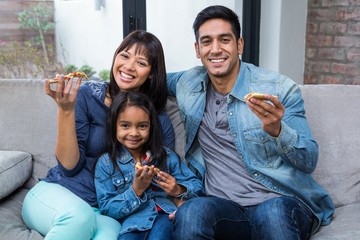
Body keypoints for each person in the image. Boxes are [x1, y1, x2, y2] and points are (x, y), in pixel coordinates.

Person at [167, 5, 335, 240]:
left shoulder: (277, 88)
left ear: (239, 45)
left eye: (224, 40)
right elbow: (149, 77)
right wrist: (109, 89)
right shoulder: (188, 83)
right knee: (192, 212)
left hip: (279, 202)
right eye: (207, 41)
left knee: (272, 213)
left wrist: (278, 131)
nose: (215, 49)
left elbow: (309, 159)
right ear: (197, 49)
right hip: (225, 209)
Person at [21, 30, 175, 240]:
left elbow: (165, 172)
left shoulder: (158, 119)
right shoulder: (88, 95)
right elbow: (69, 167)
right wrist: (65, 111)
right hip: (58, 193)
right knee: (78, 218)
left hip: (104, 212)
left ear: (151, 73)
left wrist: (179, 200)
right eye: (124, 55)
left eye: (141, 62)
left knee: (110, 237)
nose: (128, 66)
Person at [94, 91, 204, 240]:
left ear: (151, 126)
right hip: (132, 222)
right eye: (125, 125)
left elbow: (197, 186)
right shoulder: (106, 164)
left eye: (142, 126)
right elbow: (107, 208)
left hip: (166, 215)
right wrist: (136, 190)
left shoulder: (166, 156)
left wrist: (178, 189)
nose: (134, 133)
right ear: (114, 126)